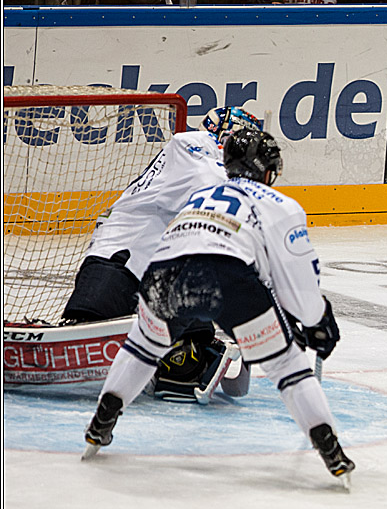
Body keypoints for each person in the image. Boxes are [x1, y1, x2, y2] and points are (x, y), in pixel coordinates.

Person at [82, 130, 353, 485]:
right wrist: (319, 322)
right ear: (269, 170)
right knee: (286, 364)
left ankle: (101, 422)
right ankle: (330, 450)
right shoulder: (281, 205)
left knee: (142, 348)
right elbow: (298, 285)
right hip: (226, 278)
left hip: (163, 273)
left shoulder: (200, 194)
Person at [62, 106, 264, 401]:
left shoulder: (218, 165)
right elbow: (214, 189)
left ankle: (172, 358)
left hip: (158, 268)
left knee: (190, 357)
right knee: (88, 327)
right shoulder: (190, 145)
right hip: (123, 254)